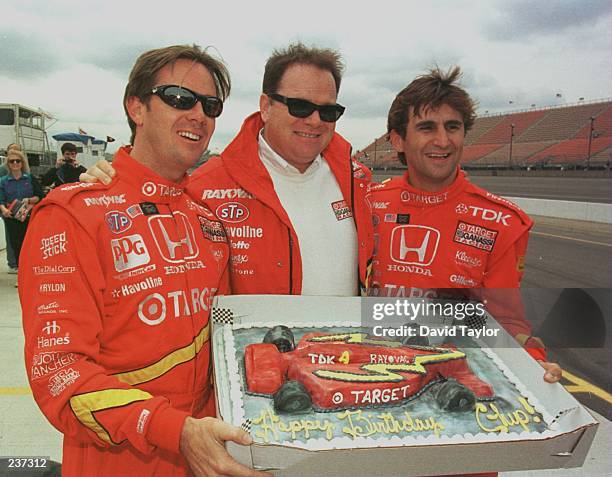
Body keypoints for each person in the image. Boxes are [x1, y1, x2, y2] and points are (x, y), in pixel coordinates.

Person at [20, 44, 270, 477]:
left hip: (208, 456)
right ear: (136, 107)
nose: (199, 115)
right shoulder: (72, 214)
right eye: (179, 98)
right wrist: (174, 431)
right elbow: (59, 374)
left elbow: (225, 349)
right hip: (116, 461)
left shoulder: (207, 222)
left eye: (210, 105)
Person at [82, 42, 373, 297]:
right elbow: (150, 199)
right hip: (254, 356)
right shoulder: (205, 185)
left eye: (328, 111)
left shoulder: (358, 179)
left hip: (344, 355)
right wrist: (113, 183)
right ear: (266, 107)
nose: (314, 121)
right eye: (299, 106)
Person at [366, 68, 561, 383]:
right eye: (427, 127)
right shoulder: (367, 202)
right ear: (398, 140)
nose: (443, 141)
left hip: (452, 379)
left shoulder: (501, 222)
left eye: (453, 127)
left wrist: (533, 362)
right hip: (369, 370)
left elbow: (506, 321)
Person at [0, 149, 42, 284]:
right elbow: (0, 200)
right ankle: (22, 276)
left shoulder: (30, 178)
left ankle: (33, 273)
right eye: (12, 161)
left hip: (29, 216)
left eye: (18, 161)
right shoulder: (3, 181)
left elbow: (40, 196)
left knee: (31, 244)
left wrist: (29, 200)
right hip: (12, 217)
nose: (15, 164)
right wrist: (4, 210)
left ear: (22, 163)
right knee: (16, 246)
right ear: (8, 164)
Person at [1, 142, 22, 273]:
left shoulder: (22, 167)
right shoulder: (3, 169)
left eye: (17, 150)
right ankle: (13, 262)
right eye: (12, 150)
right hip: (7, 206)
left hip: (20, 207)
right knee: (10, 234)